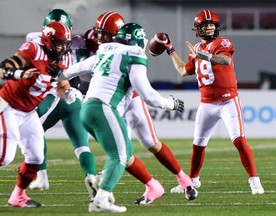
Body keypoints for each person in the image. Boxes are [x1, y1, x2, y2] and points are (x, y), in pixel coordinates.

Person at [55, 22, 196, 213]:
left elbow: (68, 72)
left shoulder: (104, 51)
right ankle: (102, 197)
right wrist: (170, 103)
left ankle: (146, 186)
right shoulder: (134, 55)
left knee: (126, 151)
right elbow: (149, 96)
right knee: (120, 156)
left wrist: (63, 83)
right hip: (105, 108)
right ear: (137, 40)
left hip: (87, 108)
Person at [92, 11, 198, 205]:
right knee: (122, 151)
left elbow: (147, 50)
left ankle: (183, 180)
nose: (98, 37)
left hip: (130, 99)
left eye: (103, 33)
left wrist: (164, 46)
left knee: (151, 143)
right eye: (97, 33)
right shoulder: (103, 47)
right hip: (112, 103)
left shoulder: (130, 46)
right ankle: (151, 185)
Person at [157, 9, 265, 195]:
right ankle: (193, 181)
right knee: (198, 144)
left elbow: (224, 60)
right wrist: (170, 49)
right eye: (205, 25)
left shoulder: (222, 42)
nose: (209, 28)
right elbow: (183, 70)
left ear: (216, 27)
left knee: (239, 140)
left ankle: (254, 180)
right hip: (206, 103)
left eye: (211, 25)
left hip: (228, 101)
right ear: (198, 29)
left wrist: (203, 56)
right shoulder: (197, 49)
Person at [27, 9, 99, 205]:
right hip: (74, 97)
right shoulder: (74, 45)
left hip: (51, 95)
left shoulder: (36, 42)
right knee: (82, 145)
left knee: (33, 132)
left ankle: (41, 177)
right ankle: (91, 175)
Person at [0, 21, 72, 207]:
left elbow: (62, 79)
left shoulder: (61, 59)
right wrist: (18, 74)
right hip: (8, 105)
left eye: (65, 44)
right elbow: (3, 68)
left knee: (36, 157)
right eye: (58, 43)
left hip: (28, 112)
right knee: (4, 157)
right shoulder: (33, 49)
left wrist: (66, 87)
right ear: (47, 40)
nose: (62, 47)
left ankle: (18, 197)